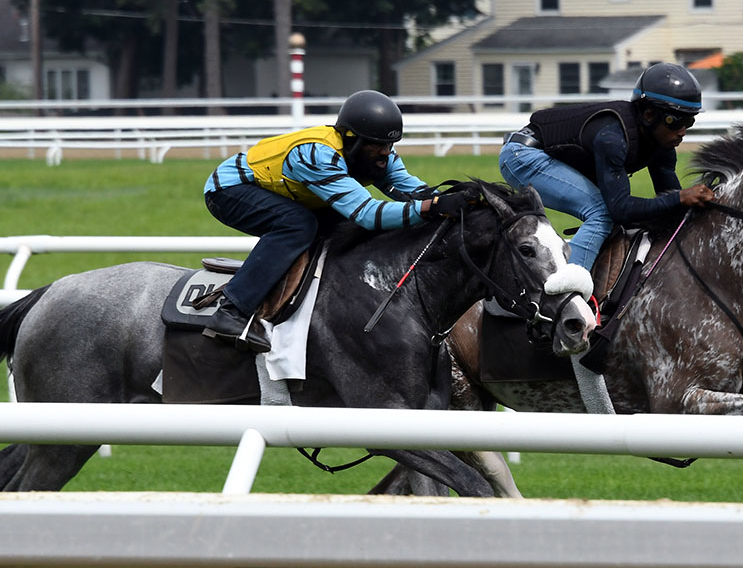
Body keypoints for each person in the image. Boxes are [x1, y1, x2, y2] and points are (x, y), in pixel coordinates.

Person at [202, 90, 466, 353]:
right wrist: (429, 209)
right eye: (378, 145)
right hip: (229, 190)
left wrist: (452, 200)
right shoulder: (316, 155)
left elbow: (411, 190)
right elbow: (368, 213)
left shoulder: (375, 151)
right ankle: (232, 310)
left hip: (286, 193)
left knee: (346, 229)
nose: (386, 153)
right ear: (352, 139)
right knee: (297, 225)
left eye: (390, 145)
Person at [498, 62, 714, 272]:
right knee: (601, 214)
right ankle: (568, 290)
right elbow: (620, 209)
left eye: (689, 122)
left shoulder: (661, 143)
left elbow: (670, 199)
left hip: (543, 153)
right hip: (522, 156)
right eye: (675, 121)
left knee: (615, 218)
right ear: (649, 115)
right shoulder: (611, 138)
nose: (683, 131)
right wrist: (680, 198)